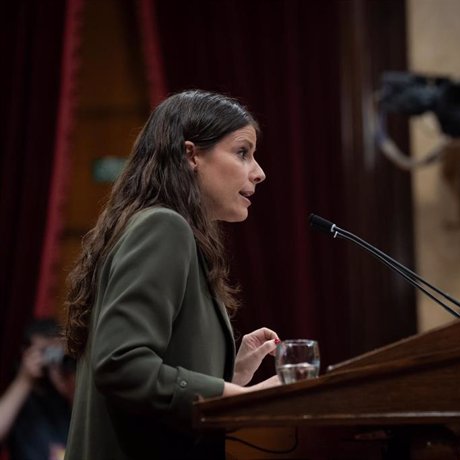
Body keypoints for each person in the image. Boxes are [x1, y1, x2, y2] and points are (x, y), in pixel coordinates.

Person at [63, 90, 280, 460]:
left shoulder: (159, 227)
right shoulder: (164, 227)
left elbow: (157, 384)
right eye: (243, 152)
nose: (259, 172)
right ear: (192, 154)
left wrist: (230, 374)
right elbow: (122, 365)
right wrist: (240, 398)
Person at [0, 319, 75, 460]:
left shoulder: (65, 395)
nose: (52, 358)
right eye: (45, 352)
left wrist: (69, 388)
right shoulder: (21, 399)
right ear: (25, 353)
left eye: (56, 352)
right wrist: (25, 379)